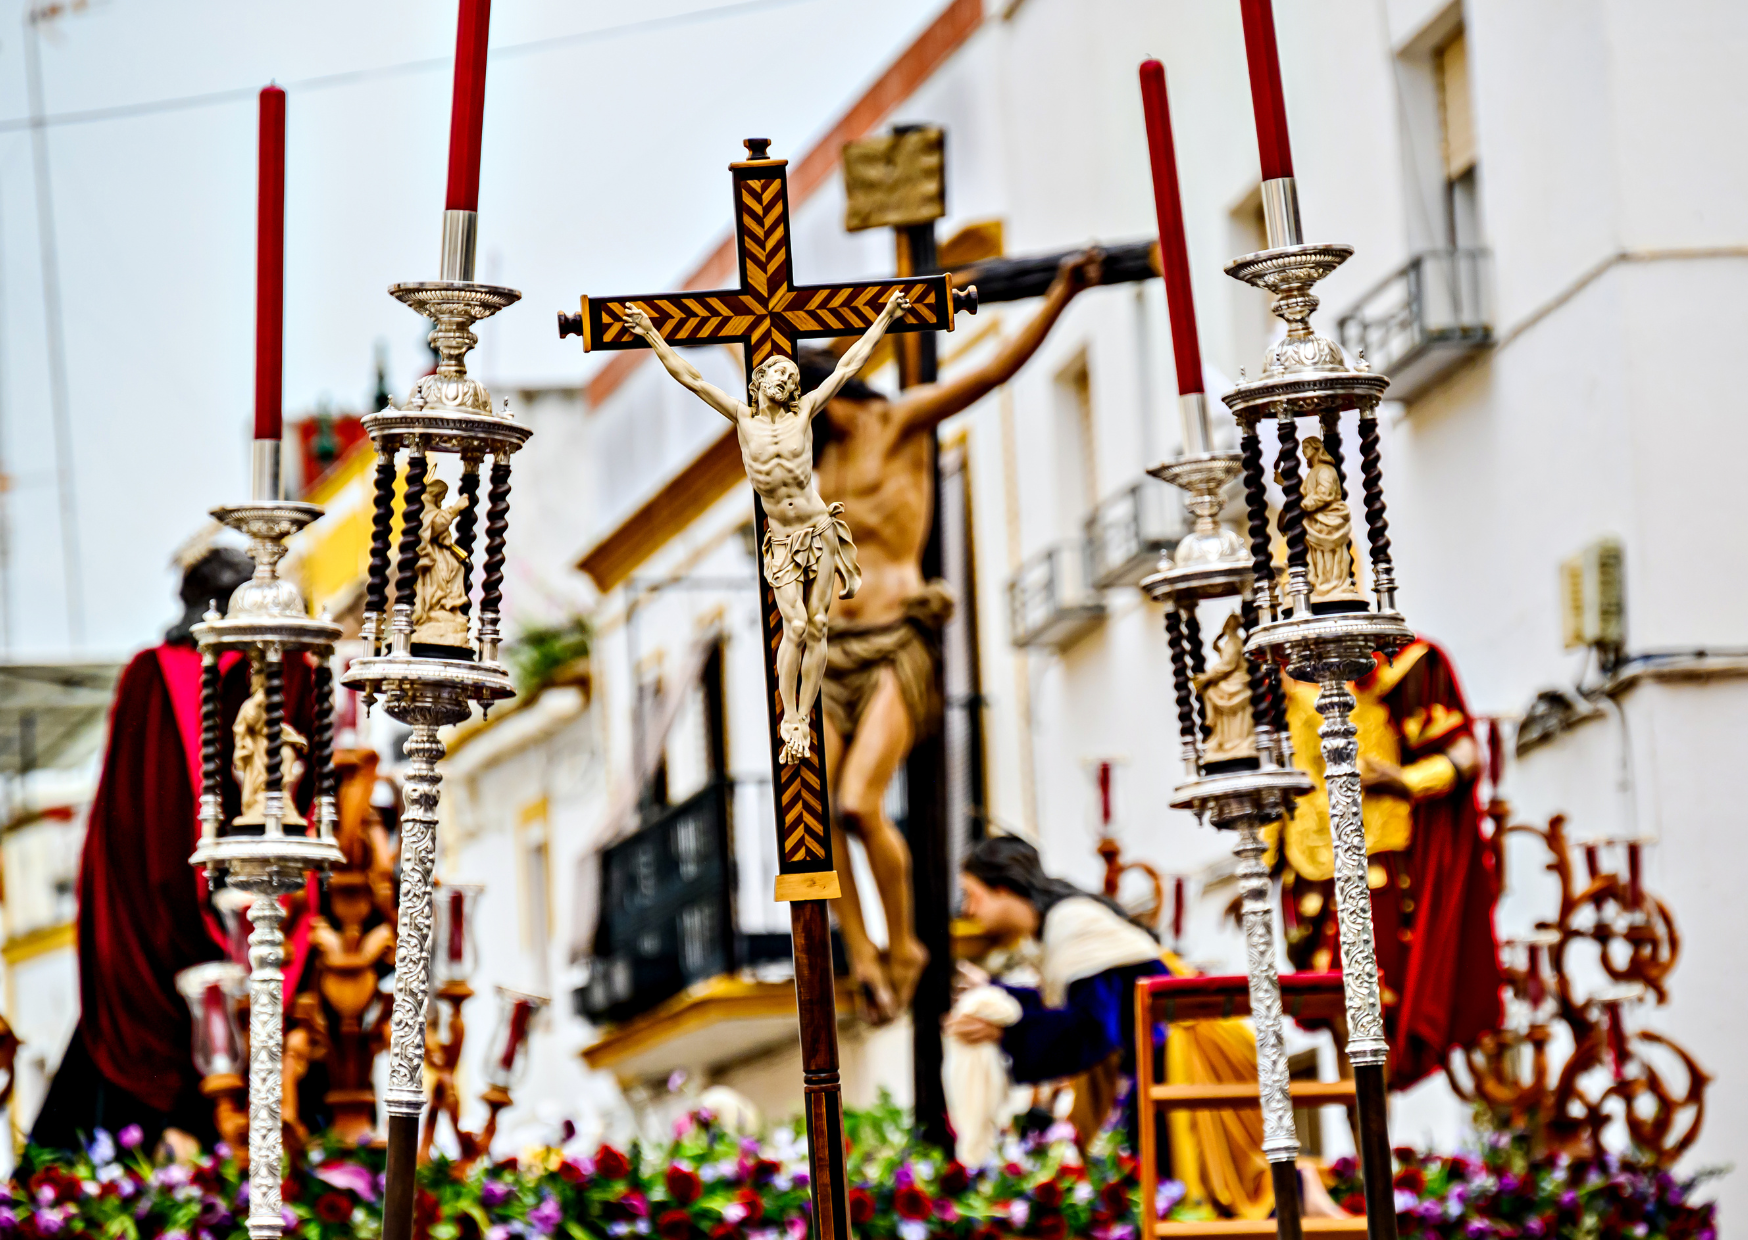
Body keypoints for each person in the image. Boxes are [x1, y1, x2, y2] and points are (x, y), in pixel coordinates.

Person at [805, 249, 1104, 1023]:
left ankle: (904, 944)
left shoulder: (896, 422)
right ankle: (861, 952)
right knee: (808, 815)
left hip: (895, 638)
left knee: (859, 806)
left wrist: (1061, 296)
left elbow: (996, 370)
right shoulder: (811, 462)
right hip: (826, 652)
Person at [31, 547, 318, 1153]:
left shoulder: (267, 672)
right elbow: (141, 827)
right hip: (183, 934)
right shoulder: (160, 679)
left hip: (233, 911)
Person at [619, 292, 907, 765]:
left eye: (792, 376)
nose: (788, 379)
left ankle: (801, 719)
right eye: (779, 373)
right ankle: (789, 713)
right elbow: (690, 377)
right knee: (793, 624)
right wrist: (651, 334)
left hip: (817, 529)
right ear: (760, 379)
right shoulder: (742, 417)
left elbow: (849, 365)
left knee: (817, 627)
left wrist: (886, 318)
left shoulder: (806, 412)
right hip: (783, 538)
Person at [945, 837, 1273, 1218]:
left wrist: (1007, 1033)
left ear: (1002, 889)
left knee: (1220, 1197)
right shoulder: (1057, 928)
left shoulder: (1070, 923)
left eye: (973, 895)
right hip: (1166, 1056)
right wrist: (998, 995)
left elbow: (1091, 1027)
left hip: (1191, 1055)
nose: (969, 910)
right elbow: (1078, 1005)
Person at [1275, 638, 1503, 1087]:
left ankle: (1376, 1141)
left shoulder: (1406, 663)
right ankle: (1365, 1147)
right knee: (1338, 1007)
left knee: (1376, 1004)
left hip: (1385, 861)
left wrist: (1403, 779)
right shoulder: (1276, 676)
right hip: (1312, 872)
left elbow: (1465, 755)